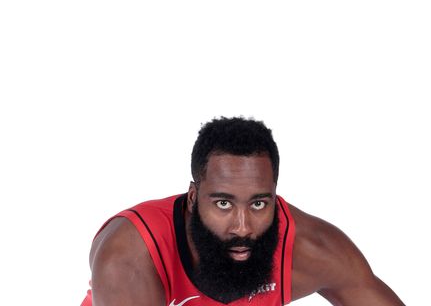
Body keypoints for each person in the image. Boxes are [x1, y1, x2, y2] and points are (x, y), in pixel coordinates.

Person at [81, 117, 405, 306]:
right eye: (223, 203)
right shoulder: (129, 256)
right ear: (193, 197)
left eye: (258, 204)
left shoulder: (309, 250)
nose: (242, 227)